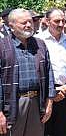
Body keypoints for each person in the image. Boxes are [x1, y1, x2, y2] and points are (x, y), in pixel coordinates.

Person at [0, 8, 55, 136]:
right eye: (24, 23)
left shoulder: (40, 44)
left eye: (30, 21)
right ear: (11, 26)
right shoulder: (2, 46)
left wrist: (49, 102)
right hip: (13, 103)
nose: (29, 25)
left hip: (37, 103)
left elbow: (49, 74)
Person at [37, 8, 66, 136]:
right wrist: (51, 92)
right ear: (47, 21)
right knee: (45, 130)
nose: (61, 24)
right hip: (45, 94)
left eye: (63, 21)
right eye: (57, 21)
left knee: (64, 130)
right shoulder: (38, 40)